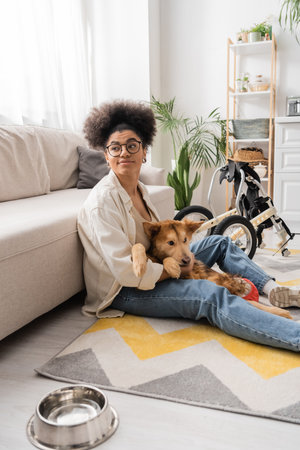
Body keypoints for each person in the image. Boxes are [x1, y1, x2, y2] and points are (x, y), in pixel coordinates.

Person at [77, 99, 300, 352]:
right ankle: (294, 336)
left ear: (144, 151)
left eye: (131, 145)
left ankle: (271, 289)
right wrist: (177, 270)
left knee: (220, 242)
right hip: (124, 289)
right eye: (115, 148)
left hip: (155, 266)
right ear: (106, 156)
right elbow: (126, 272)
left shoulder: (141, 191)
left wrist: (180, 258)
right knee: (209, 294)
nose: (124, 153)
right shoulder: (102, 202)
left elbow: (157, 245)